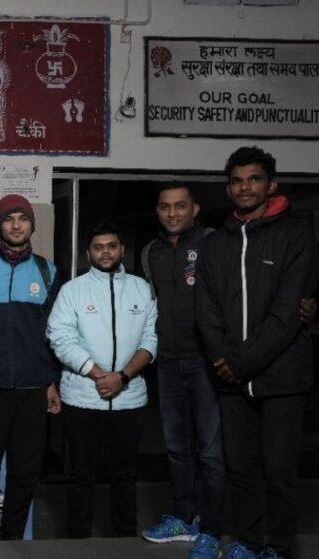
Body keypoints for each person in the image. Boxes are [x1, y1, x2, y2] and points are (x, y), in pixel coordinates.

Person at [196, 146, 315, 559]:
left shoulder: (296, 236)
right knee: (241, 469)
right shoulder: (215, 244)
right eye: (237, 180)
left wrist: (240, 362)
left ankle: (278, 548)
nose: (244, 187)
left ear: (271, 185)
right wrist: (225, 360)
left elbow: (288, 311)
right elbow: (206, 311)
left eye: (254, 179)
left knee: (280, 471)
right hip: (230, 378)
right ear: (228, 188)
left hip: (283, 377)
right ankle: (246, 543)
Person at [46, 219, 157, 539]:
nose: (105, 252)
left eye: (111, 246)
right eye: (98, 247)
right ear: (88, 253)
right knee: (81, 475)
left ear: (122, 250)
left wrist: (122, 376)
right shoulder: (73, 290)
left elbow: (151, 339)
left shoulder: (142, 288)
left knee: (126, 474)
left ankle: (125, 538)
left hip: (130, 399)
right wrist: (97, 375)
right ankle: (77, 539)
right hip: (82, 399)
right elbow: (59, 337)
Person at [0, 195, 61, 541]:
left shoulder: (48, 271)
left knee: (26, 470)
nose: (16, 225)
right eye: (9, 219)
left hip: (33, 389)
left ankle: (13, 537)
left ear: (32, 225)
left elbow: (54, 333)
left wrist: (51, 381)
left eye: (23, 218)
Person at [139, 185, 225, 558]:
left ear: (195, 209)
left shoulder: (213, 243)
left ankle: (212, 530)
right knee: (176, 449)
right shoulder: (151, 252)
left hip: (206, 362)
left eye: (180, 206)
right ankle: (184, 519)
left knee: (210, 452)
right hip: (168, 362)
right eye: (165, 207)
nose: (172, 213)